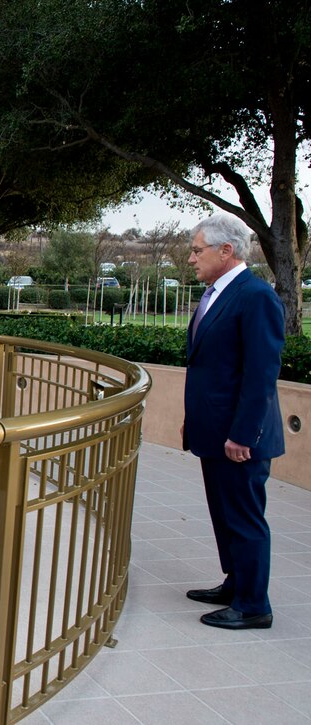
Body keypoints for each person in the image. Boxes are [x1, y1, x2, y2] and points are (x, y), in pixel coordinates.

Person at [181, 212, 285, 630]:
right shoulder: (215, 294)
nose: (191, 258)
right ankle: (236, 583)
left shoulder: (254, 295)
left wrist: (243, 433)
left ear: (227, 251)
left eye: (197, 250)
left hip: (240, 439)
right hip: (214, 433)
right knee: (224, 516)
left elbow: (261, 373)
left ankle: (253, 604)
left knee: (244, 518)